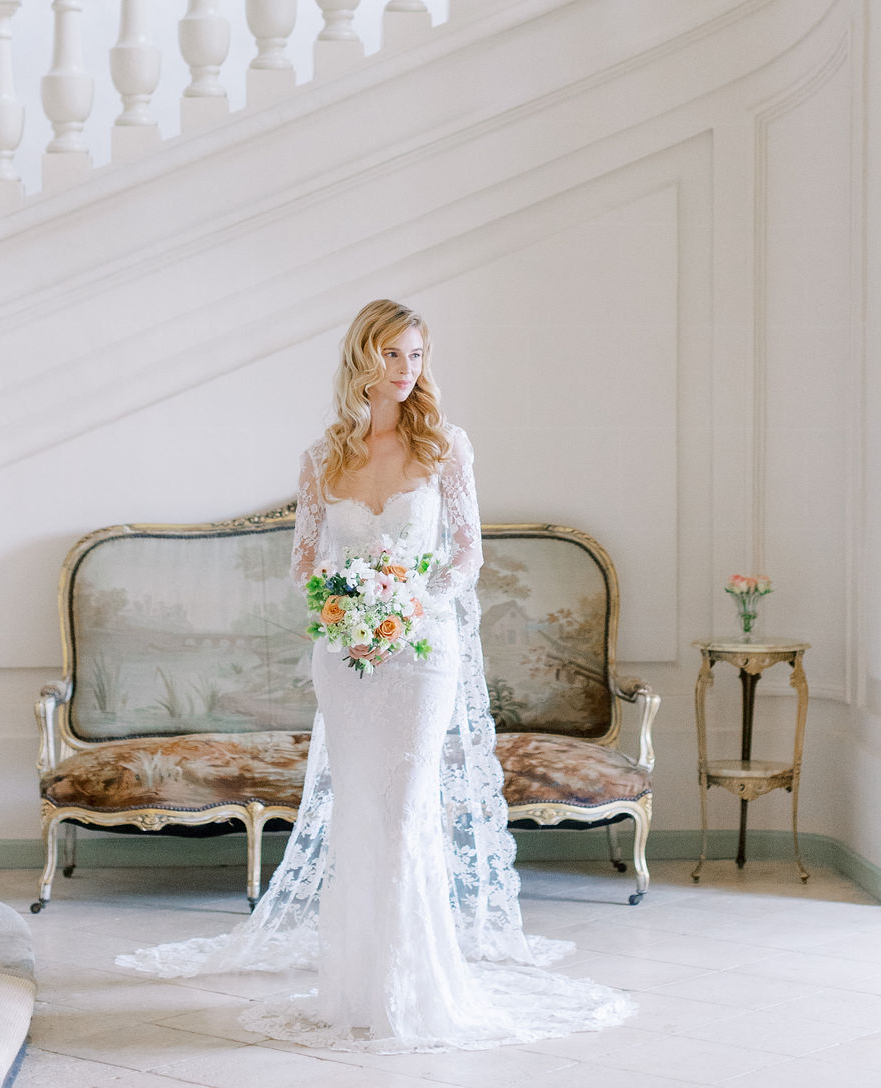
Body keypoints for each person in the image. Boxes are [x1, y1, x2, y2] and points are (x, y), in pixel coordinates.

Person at [118, 299, 634, 1053]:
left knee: (402, 810)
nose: (405, 370)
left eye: (416, 355)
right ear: (362, 358)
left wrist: (409, 595)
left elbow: (467, 555)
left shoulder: (445, 447)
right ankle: (356, 989)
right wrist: (348, 601)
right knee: (361, 810)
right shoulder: (323, 456)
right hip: (347, 657)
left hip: (422, 653)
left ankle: (415, 987)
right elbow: (304, 563)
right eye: (392, 354)